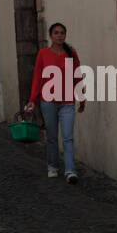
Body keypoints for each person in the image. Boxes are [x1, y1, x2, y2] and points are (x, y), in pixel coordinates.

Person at [28, 21, 84, 184]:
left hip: (67, 101)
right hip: (48, 101)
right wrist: (33, 99)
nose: (60, 35)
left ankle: (70, 171)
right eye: (56, 33)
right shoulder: (43, 54)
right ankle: (52, 166)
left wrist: (81, 98)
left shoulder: (71, 53)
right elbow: (38, 77)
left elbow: (77, 76)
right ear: (51, 36)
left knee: (68, 137)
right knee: (52, 137)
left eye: (62, 33)